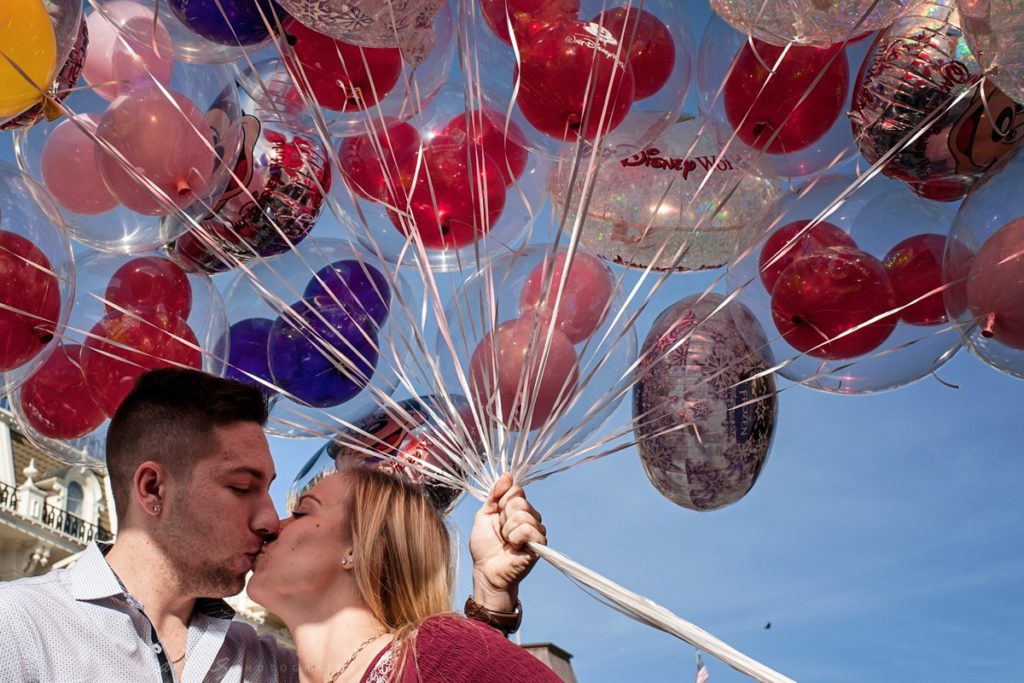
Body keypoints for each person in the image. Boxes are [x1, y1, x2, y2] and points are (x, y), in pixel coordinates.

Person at [0, 369, 547, 683]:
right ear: (152, 489)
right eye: (241, 488)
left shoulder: (269, 663)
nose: (268, 519)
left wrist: (489, 603)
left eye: (281, 496)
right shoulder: (21, 629)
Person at [247, 465, 561, 682]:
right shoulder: (252, 668)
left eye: (302, 512)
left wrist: (490, 602)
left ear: (361, 548)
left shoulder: (438, 653)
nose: (273, 525)